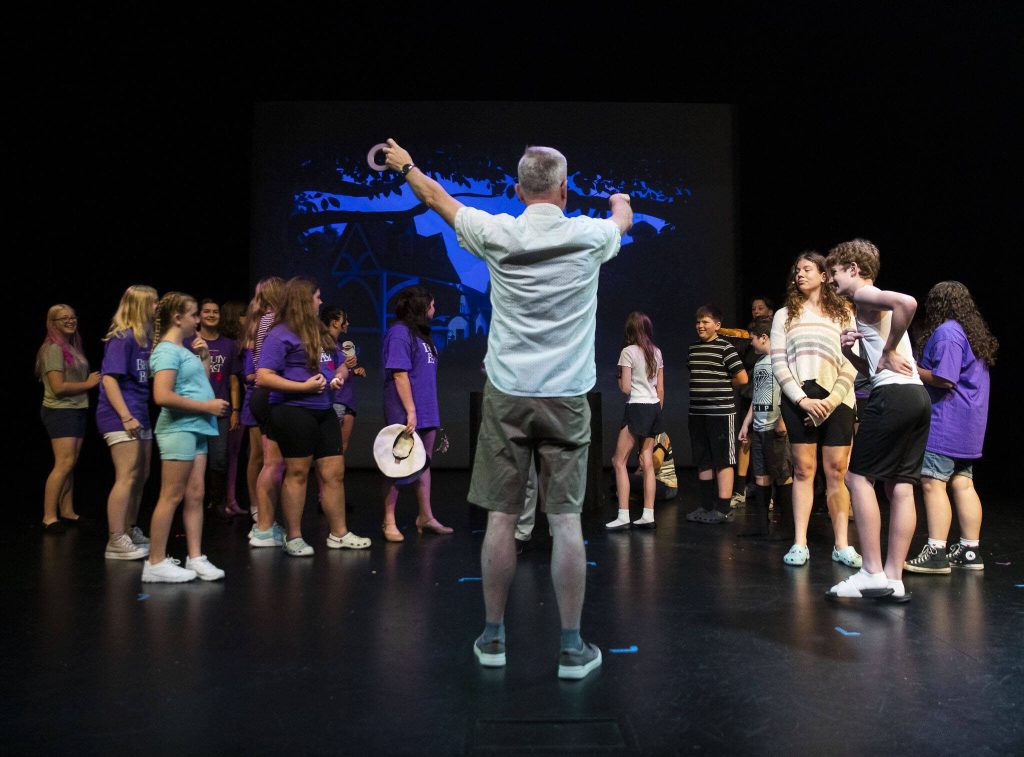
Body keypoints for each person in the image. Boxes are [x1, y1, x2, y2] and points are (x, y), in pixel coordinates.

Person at [383, 138, 632, 680]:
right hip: (567, 396)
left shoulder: (497, 231)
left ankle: (493, 638)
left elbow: (436, 199)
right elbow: (622, 220)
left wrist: (405, 165)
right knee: (565, 520)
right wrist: (619, 200)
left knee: (501, 517)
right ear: (564, 190)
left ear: (517, 191)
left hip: (508, 394)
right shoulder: (589, 235)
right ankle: (571, 648)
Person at [825, 239, 931, 602]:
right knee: (900, 486)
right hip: (916, 396)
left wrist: (887, 349)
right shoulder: (865, 307)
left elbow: (908, 302)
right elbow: (871, 371)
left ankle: (871, 571)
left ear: (853, 269)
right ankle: (893, 577)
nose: (830, 281)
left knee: (857, 477)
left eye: (834, 273)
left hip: (894, 398)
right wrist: (852, 354)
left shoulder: (867, 295)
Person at [256, 277, 370, 556]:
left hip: (323, 410)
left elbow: (335, 364)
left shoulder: (319, 332)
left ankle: (339, 533)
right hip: (293, 411)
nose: (321, 301)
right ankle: (293, 536)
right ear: (303, 300)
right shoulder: (280, 334)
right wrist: (303, 387)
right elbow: (263, 376)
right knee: (296, 472)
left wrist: (337, 377)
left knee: (334, 473)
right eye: (317, 297)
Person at [770, 252, 860, 567]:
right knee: (803, 471)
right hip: (799, 399)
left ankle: (841, 544)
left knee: (837, 472)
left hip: (837, 398)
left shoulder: (844, 312)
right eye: (797, 270)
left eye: (807, 269)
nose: (800, 274)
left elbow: (853, 361)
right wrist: (802, 400)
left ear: (824, 275)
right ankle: (799, 542)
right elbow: (778, 362)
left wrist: (832, 400)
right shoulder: (784, 315)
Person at [904, 281, 997, 574]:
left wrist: (913, 369)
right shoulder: (972, 333)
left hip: (947, 420)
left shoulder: (947, 333)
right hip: (969, 423)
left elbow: (945, 378)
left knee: (933, 482)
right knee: (963, 482)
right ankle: (970, 550)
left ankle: (936, 551)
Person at [144, 292, 229, 582]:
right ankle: (155, 562)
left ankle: (195, 557)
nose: (198, 319)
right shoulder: (167, 351)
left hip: (197, 428)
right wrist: (207, 406)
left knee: (195, 494)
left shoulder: (183, 350)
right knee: (172, 495)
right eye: (194, 314)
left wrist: (203, 356)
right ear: (178, 318)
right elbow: (162, 395)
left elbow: (198, 383)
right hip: (179, 428)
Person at [380, 284, 452, 541]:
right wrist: (410, 411)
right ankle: (389, 520)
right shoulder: (399, 333)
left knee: (424, 463)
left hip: (426, 408)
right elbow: (400, 374)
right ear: (421, 307)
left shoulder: (421, 335)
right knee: (396, 465)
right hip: (405, 410)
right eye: (431, 304)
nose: (434, 308)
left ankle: (425, 516)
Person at [96, 285, 158, 561]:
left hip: (140, 412)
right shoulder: (122, 337)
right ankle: (115, 538)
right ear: (140, 305)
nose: (157, 307)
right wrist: (124, 415)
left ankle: (130, 529)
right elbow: (109, 378)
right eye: (154, 302)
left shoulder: (145, 339)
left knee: (141, 474)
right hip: (120, 414)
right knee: (127, 475)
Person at [36, 304, 101, 532]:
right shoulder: (53, 348)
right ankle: (49, 516)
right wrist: (89, 384)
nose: (70, 321)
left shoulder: (71, 346)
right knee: (63, 463)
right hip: (61, 410)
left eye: (73, 317)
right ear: (52, 323)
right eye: (64, 318)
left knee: (69, 464)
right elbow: (58, 387)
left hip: (75, 409)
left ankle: (67, 511)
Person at [685, 304, 748, 524]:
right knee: (703, 460)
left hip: (721, 413)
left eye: (705, 322)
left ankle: (722, 508)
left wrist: (722, 384)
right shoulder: (693, 348)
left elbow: (742, 379)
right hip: (697, 413)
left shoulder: (725, 348)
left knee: (723, 460)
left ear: (717, 325)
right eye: (698, 322)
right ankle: (706, 506)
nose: (700, 325)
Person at [606, 311, 664, 531]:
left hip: (637, 407)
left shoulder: (627, 352)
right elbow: (660, 388)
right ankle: (648, 515)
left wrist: (620, 376)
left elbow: (626, 388)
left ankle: (623, 515)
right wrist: (656, 410)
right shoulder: (657, 352)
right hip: (653, 408)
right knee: (647, 462)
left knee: (618, 461)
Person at [737, 317, 793, 538]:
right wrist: (746, 423)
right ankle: (761, 526)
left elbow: (790, 391)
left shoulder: (781, 360)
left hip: (775, 428)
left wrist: (783, 421)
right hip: (759, 428)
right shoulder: (760, 363)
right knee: (761, 476)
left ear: (764, 337)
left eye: (752, 339)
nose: (750, 343)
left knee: (782, 475)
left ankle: (788, 527)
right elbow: (757, 396)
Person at [185, 299, 240, 519]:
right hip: (194, 408)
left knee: (219, 459)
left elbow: (234, 380)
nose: (211, 314)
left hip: (221, 409)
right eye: (206, 311)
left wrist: (235, 410)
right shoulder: (189, 341)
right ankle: (193, 502)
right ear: (199, 315)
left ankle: (216, 503)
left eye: (215, 311)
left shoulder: (229, 344)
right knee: (193, 458)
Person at [244, 276, 287, 546]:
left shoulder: (266, 321)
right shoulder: (272, 321)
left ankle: (266, 522)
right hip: (270, 394)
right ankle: (263, 526)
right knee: (271, 463)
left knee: (274, 463)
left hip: (269, 394)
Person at [732, 296, 776, 505]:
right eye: (753, 308)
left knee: (771, 448)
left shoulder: (776, 339)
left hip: (772, 404)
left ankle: (771, 494)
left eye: (761, 307)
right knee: (748, 441)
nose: (756, 311)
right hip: (751, 395)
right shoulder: (750, 342)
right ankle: (742, 489)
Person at [321, 306, 366, 456]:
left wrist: (353, 371)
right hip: (335, 400)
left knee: (341, 448)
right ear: (335, 323)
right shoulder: (323, 345)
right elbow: (326, 374)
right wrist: (345, 365)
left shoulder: (340, 345)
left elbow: (340, 371)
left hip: (346, 400)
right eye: (344, 320)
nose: (347, 323)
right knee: (332, 450)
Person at [218, 299, 248, 515]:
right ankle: (224, 500)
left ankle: (231, 499)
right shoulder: (229, 345)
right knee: (225, 454)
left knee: (235, 453)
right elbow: (233, 379)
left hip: (242, 401)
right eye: (243, 314)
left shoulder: (243, 343)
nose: (248, 318)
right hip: (228, 401)